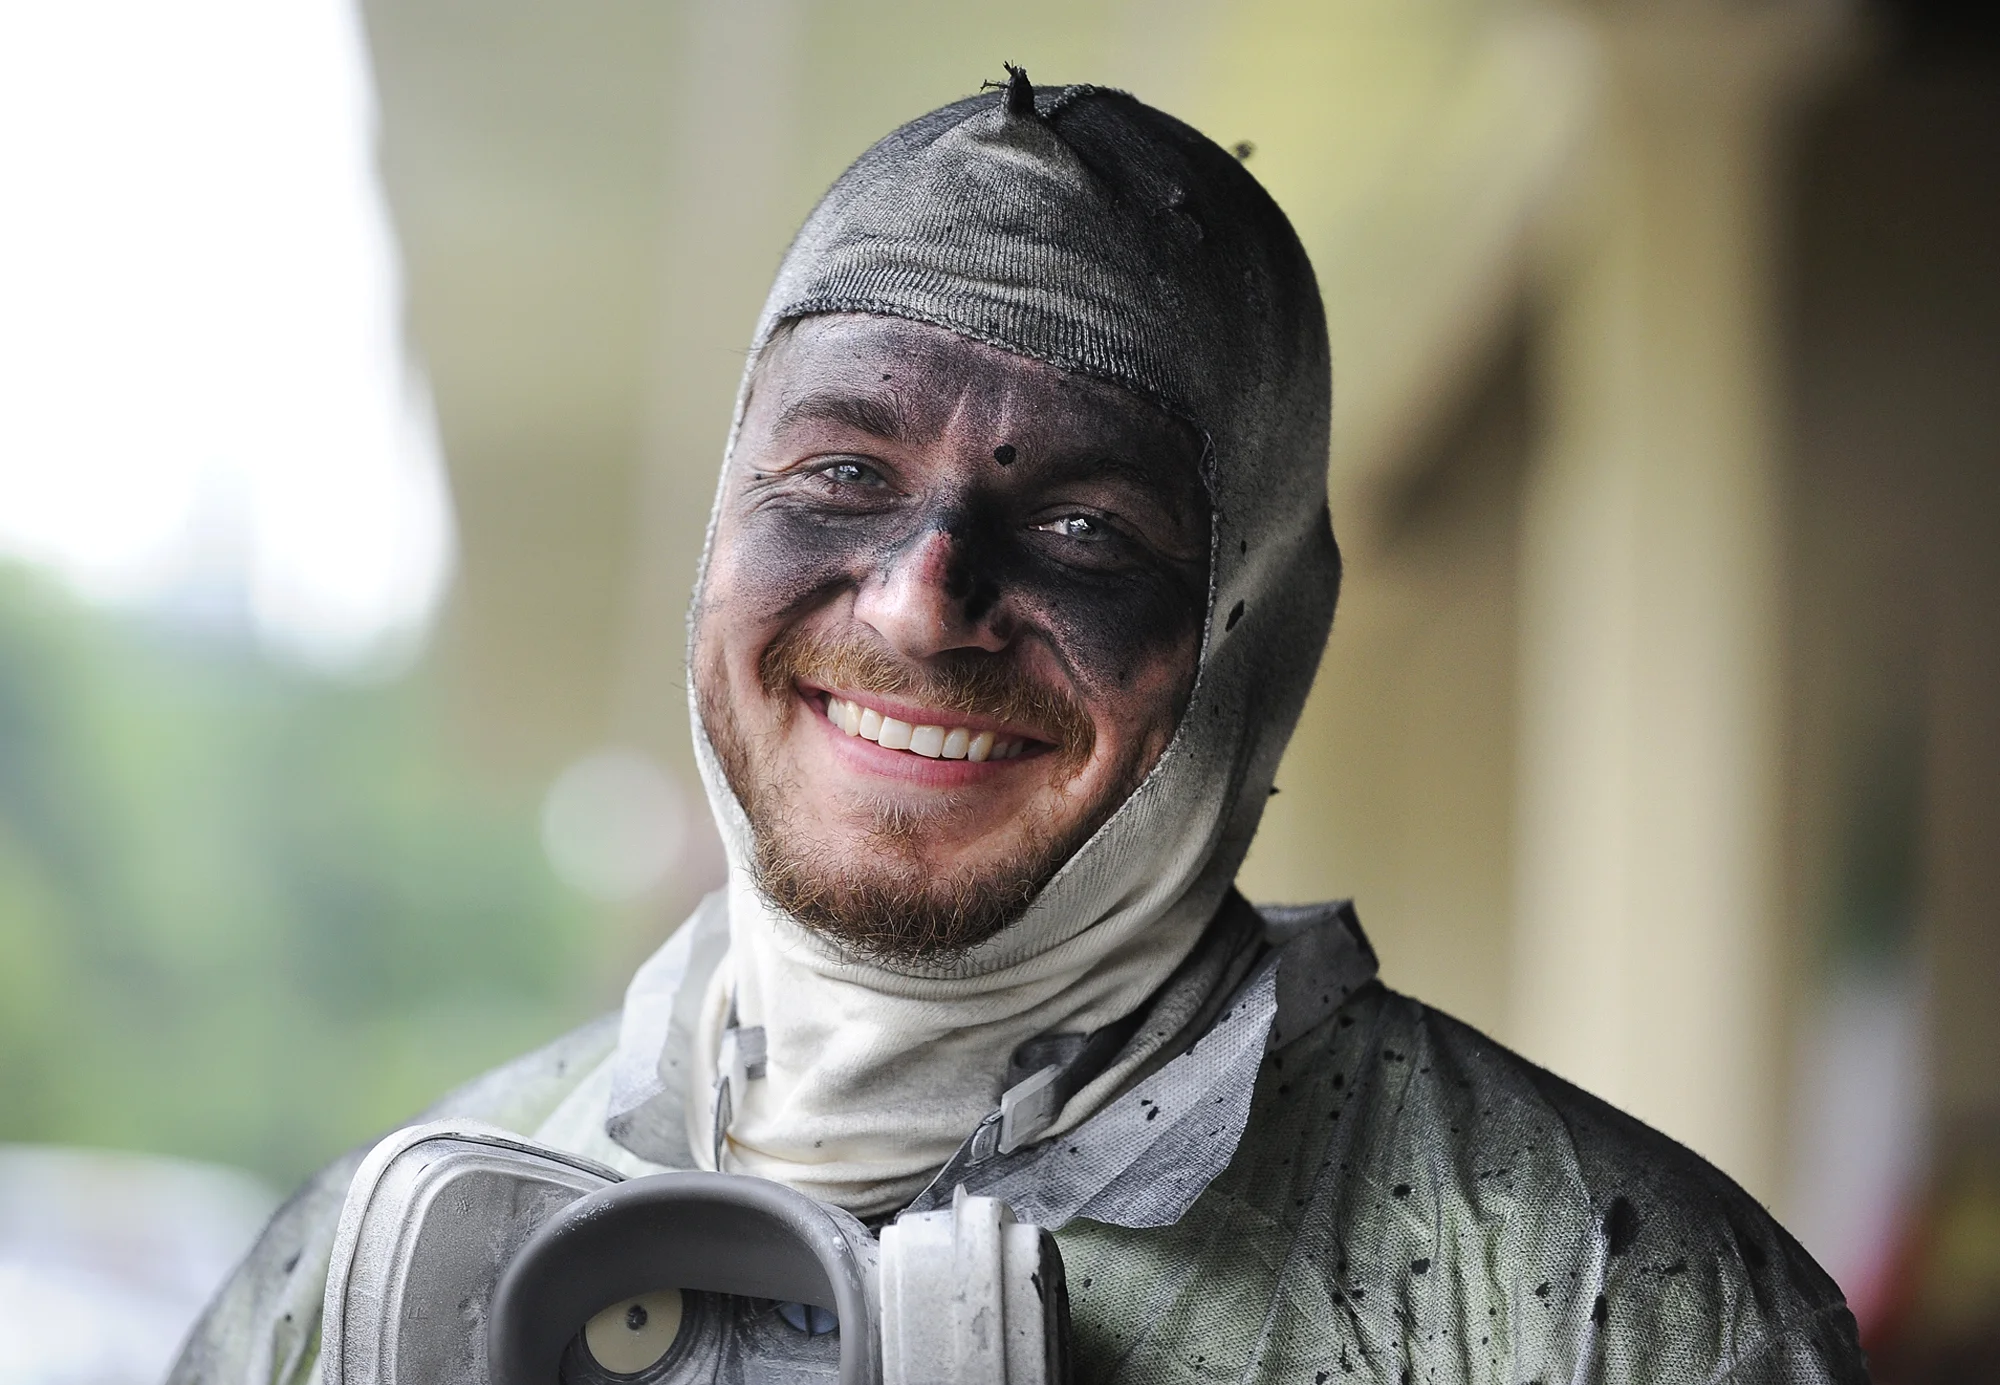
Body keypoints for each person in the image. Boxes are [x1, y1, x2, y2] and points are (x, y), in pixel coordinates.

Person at [171, 69, 1869, 1385]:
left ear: (1257, 633)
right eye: (841, 476)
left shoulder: (1602, 1307)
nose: (918, 604)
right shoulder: (352, 1276)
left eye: (1086, 532)